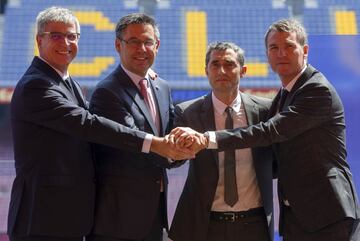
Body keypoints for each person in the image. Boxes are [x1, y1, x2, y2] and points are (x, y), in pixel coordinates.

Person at [7, 7, 191, 241]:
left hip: (67, 217)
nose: (65, 42)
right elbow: (87, 123)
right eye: (56, 36)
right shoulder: (37, 85)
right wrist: (154, 143)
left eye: (72, 36)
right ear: (39, 40)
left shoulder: (65, 81)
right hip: (42, 218)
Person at [171, 19, 360, 241]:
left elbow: (269, 132)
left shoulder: (316, 90)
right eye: (274, 48)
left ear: (305, 50)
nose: (281, 53)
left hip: (327, 214)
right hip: (296, 218)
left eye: (289, 46)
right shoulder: (284, 95)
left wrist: (207, 139)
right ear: (267, 55)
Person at [168, 42, 275, 241]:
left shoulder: (265, 111)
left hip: (255, 225)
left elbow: (279, 161)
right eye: (215, 64)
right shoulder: (188, 113)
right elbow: (173, 160)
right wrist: (177, 148)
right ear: (206, 71)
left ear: (243, 71)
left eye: (229, 64)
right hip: (205, 225)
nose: (222, 70)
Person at [87, 13, 174, 241]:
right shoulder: (106, 92)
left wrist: (182, 147)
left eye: (148, 42)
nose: (141, 49)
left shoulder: (162, 87)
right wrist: (172, 150)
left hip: (155, 215)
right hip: (118, 222)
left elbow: (169, 136)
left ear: (158, 45)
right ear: (118, 45)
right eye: (133, 42)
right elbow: (131, 143)